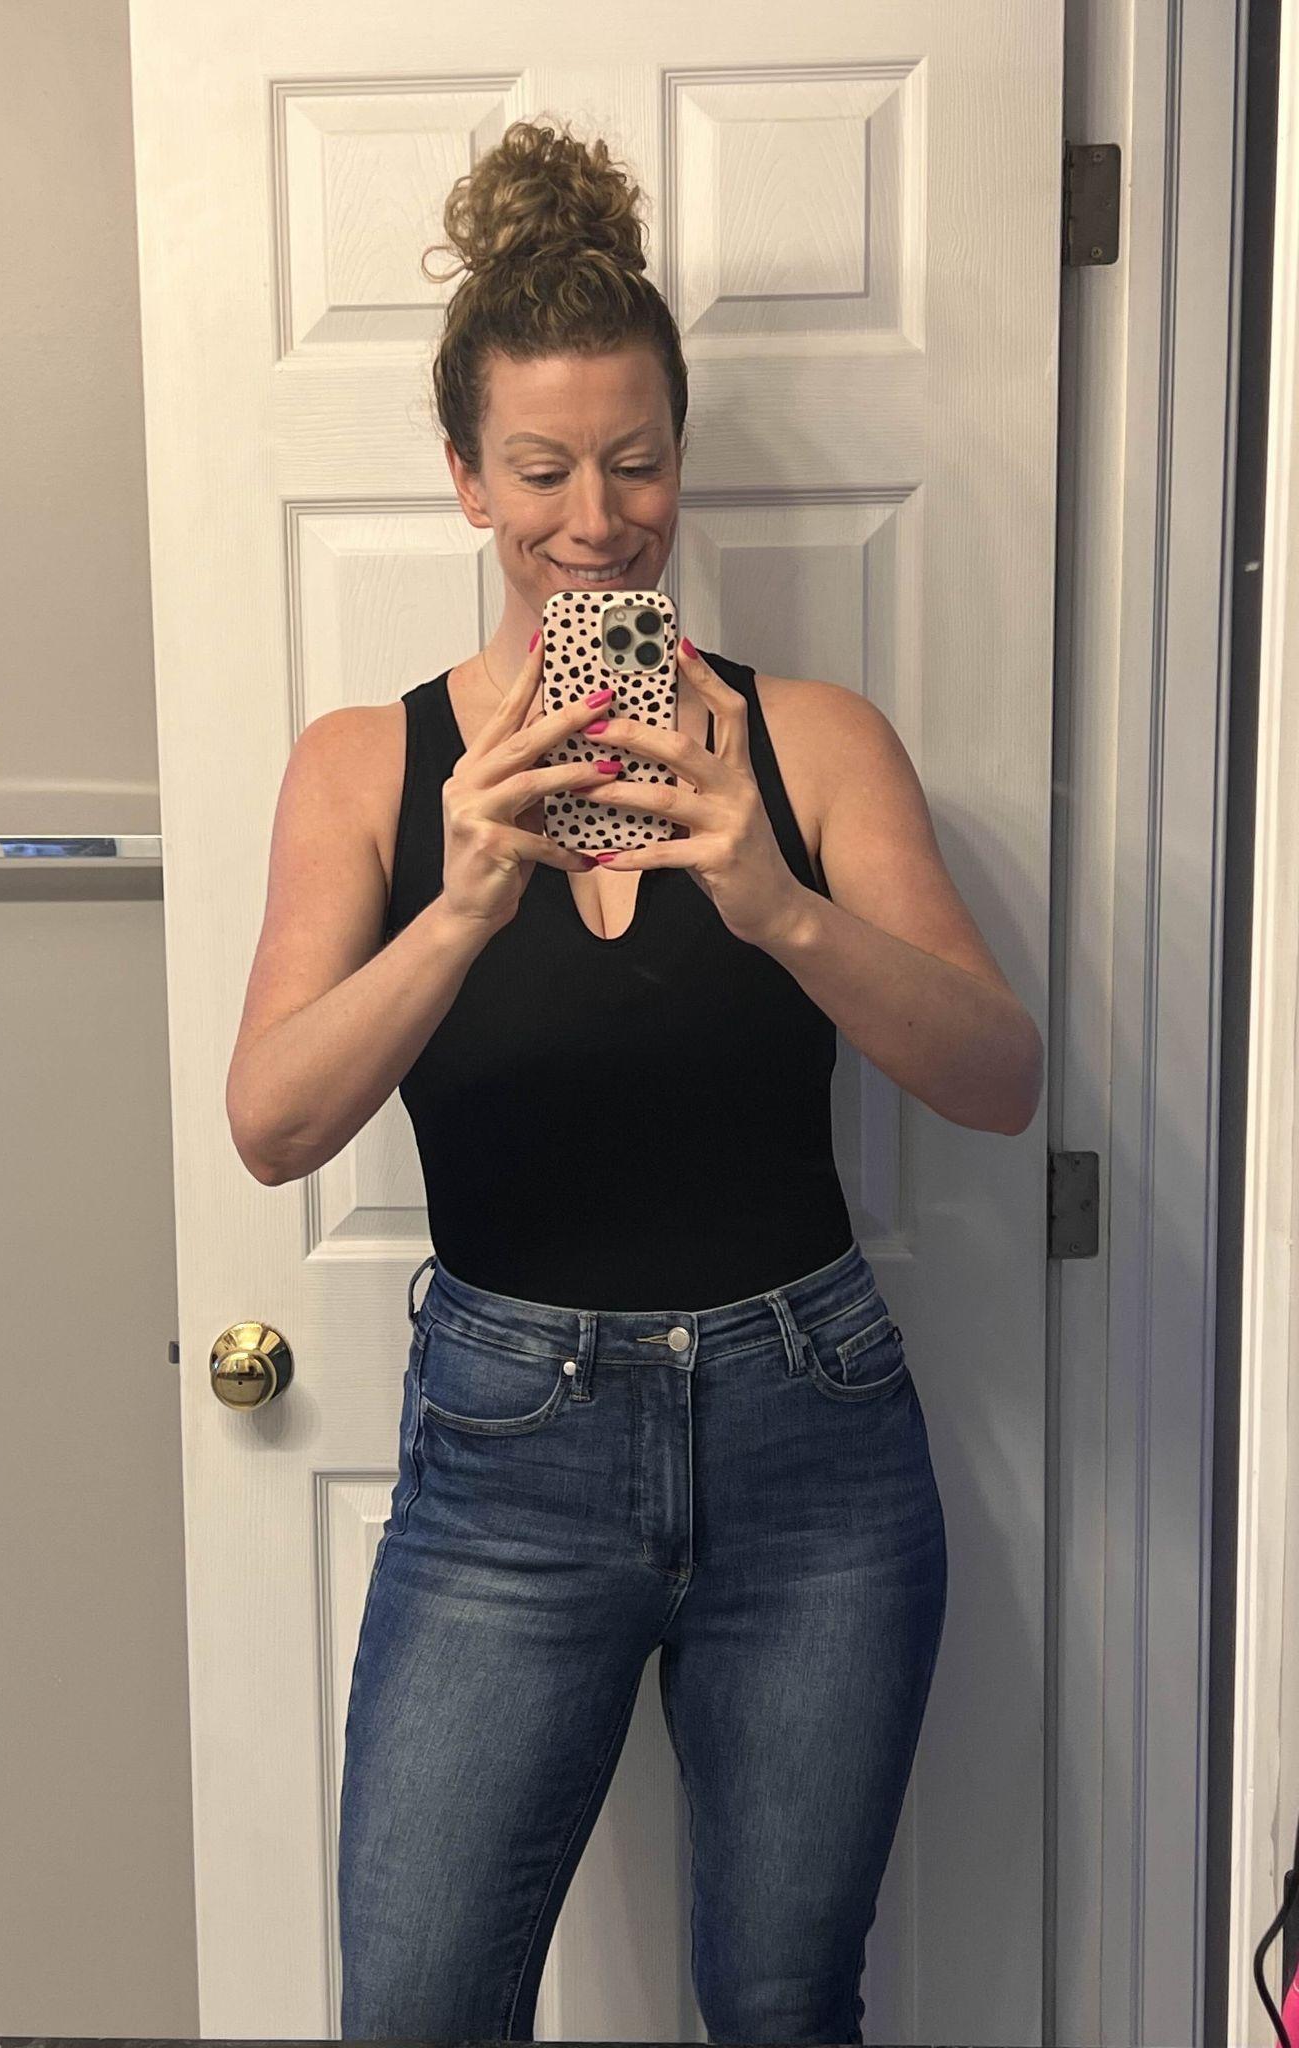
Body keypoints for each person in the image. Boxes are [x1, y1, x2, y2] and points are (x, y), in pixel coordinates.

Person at [226, 116, 1042, 2047]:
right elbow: (273, 1124)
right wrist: (457, 908)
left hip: (811, 1433)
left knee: (781, 2005)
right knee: (418, 2005)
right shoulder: (364, 767)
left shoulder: (812, 742)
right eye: (541, 469)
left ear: (680, 458)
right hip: (508, 1448)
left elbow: (999, 1076)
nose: (594, 517)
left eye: (637, 460)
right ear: (466, 479)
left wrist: (779, 906)